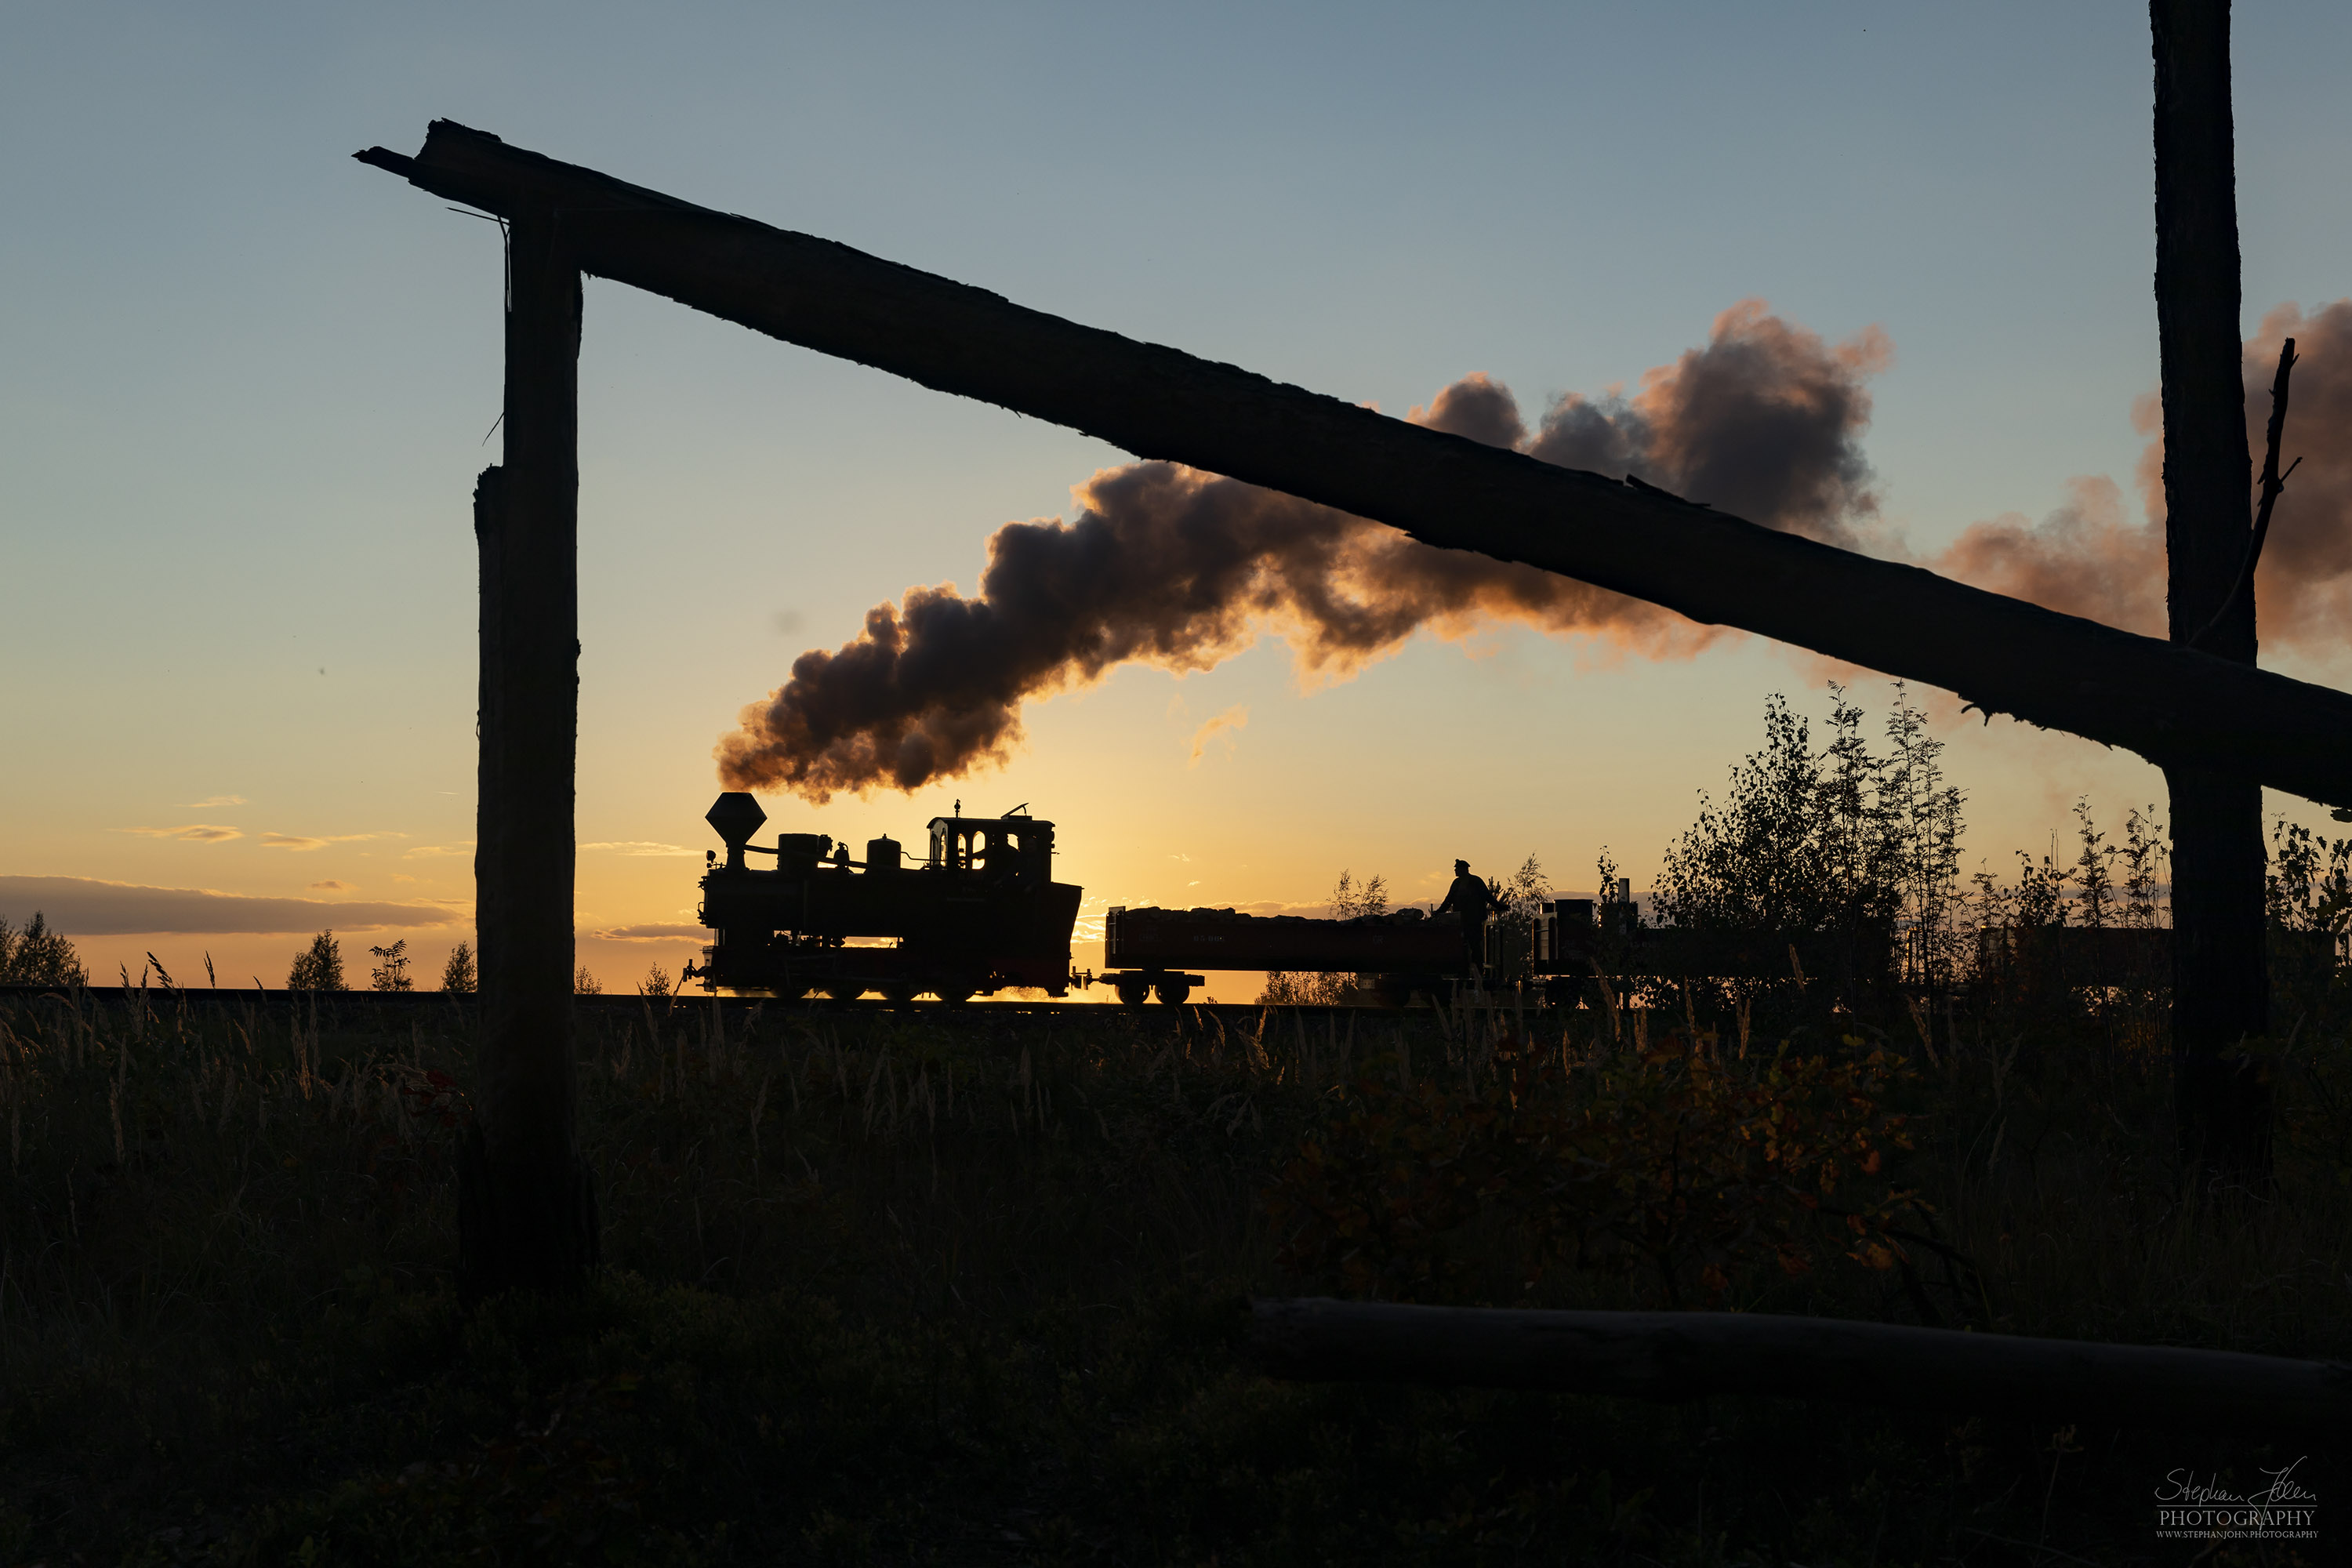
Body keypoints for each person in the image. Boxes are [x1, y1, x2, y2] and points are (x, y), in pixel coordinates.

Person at [1436, 858, 1494, 978]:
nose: (1455, 871)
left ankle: (1478, 971)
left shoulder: (1476, 881)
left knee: (1475, 946)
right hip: (1460, 921)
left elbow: (1488, 897)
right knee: (1461, 947)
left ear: (1464, 869)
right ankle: (1463, 972)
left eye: (1457, 869)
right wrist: (1438, 912)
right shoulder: (1456, 883)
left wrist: (1500, 906)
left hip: (1474, 921)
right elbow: (1449, 900)